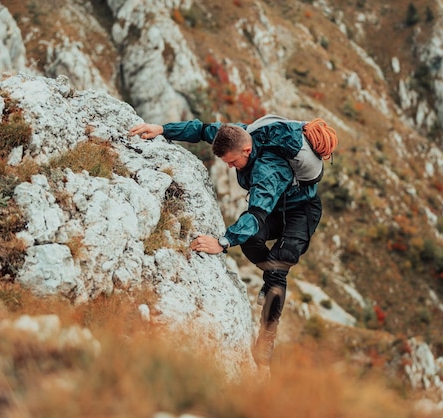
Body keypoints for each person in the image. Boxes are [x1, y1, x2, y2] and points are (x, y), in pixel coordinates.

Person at [129, 118, 323, 368]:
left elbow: (256, 215)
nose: (231, 167)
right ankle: (270, 278)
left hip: (301, 212)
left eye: (233, 162)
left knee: (278, 267)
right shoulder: (237, 135)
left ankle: (266, 338)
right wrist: (163, 129)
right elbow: (201, 129)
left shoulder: (268, 170)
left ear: (247, 150)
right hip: (277, 207)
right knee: (251, 241)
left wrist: (222, 242)